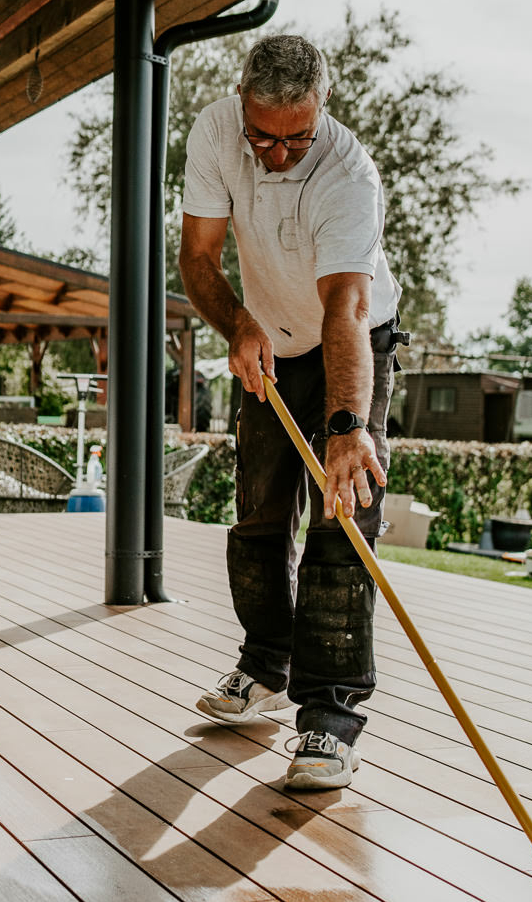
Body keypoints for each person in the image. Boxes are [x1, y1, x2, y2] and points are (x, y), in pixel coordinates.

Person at [179, 34, 406, 790]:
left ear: (323, 111)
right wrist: (238, 324)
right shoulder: (215, 131)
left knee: (342, 519)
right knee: (256, 515)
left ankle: (330, 718)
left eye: (295, 137)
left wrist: (345, 427)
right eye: (263, 136)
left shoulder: (348, 175)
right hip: (269, 340)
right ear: (241, 101)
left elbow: (345, 307)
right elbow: (199, 259)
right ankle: (264, 667)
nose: (276, 153)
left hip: (348, 343)